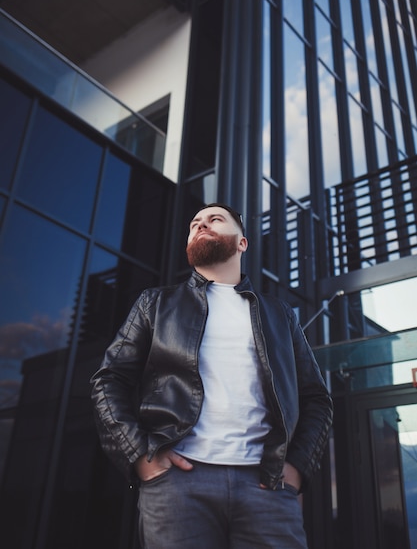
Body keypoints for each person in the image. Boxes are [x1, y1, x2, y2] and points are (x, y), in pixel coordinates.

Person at [91, 203, 333, 549]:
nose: (201, 225)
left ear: (242, 243)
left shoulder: (278, 314)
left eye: (215, 220)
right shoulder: (155, 304)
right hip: (177, 484)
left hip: (266, 484)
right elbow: (108, 380)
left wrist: (295, 468)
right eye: (194, 224)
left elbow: (316, 399)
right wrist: (139, 455)